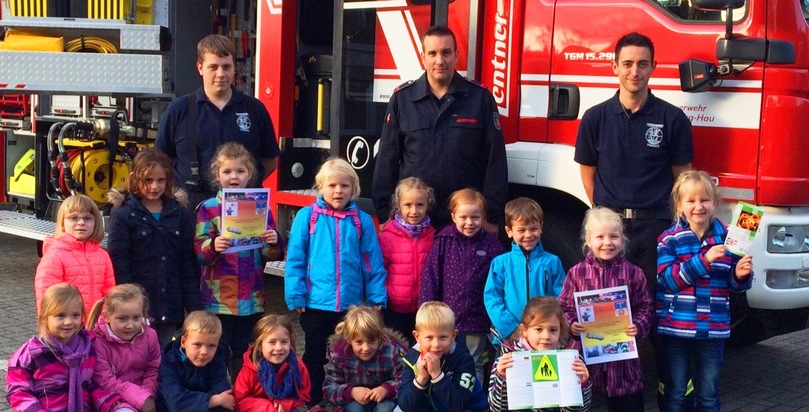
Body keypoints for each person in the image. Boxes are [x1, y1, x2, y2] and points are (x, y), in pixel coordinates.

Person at [573, 31, 693, 407]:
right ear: (614, 67)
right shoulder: (595, 118)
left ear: (654, 68)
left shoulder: (672, 119)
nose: (635, 71)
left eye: (643, 64)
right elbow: (587, 171)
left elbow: (682, 177)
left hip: (657, 228)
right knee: (609, 320)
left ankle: (669, 394)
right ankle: (610, 394)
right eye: (627, 63)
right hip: (612, 233)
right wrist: (605, 220)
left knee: (654, 312)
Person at [372, 25, 507, 233]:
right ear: (423, 57)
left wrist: (491, 216)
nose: (439, 61)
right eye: (432, 53)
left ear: (456, 55)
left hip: (465, 223)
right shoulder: (402, 100)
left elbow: (495, 162)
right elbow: (387, 160)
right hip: (415, 223)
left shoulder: (480, 99)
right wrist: (384, 215)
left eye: (446, 52)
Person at [285, 157, 387, 406]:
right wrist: (296, 293)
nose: (338, 191)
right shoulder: (307, 217)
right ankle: (314, 400)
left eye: (344, 185)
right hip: (315, 302)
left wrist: (376, 297)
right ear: (320, 187)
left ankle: (344, 399)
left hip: (350, 306)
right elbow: (295, 258)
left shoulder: (361, 220)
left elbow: (372, 261)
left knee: (347, 356)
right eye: (331, 186)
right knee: (314, 355)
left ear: (353, 188)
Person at [656, 171, 753, 412]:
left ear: (715, 203)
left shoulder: (731, 237)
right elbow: (669, 280)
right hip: (676, 328)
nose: (698, 206)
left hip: (713, 329)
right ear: (679, 206)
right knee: (676, 392)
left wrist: (741, 275)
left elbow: (732, 283)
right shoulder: (669, 239)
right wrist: (705, 259)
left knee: (709, 394)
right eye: (691, 201)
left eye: (704, 200)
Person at [156, 34, 280, 210]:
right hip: (190, 208)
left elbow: (270, 161)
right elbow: (160, 161)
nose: (221, 74)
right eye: (213, 67)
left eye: (226, 67)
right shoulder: (179, 110)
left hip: (244, 208)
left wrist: (243, 182)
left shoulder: (254, 109)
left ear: (234, 68)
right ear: (200, 67)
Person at [195, 142, 285, 380]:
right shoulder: (208, 208)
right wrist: (213, 245)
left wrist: (274, 242)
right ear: (217, 175)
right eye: (227, 172)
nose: (234, 177)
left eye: (240, 171)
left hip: (251, 299)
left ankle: (243, 395)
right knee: (217, 352)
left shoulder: (260, 207)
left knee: (246, 354)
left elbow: (269, 256)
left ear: (250, 174)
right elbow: (199, 251)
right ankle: (219, 395)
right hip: (218, 299)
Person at [558, 207, 654, 411]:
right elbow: (564, 306)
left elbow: (645, 306)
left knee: (627, 405)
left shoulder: (633, 273)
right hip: (585, 358)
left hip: (622, 364)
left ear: (623, 239)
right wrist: (571, 325)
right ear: (588, 240)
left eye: (614, 236)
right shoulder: (576, 273)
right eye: (600, 237)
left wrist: (638, 325)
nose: (607, 243)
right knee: (583, 403)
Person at [107, 148, 202, 347]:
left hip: (171, 304)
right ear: (134, 178)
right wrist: (128, 305)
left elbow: (188, 263)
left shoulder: (179, 213)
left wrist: (194, 308)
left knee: (165, 357)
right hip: (137, 308)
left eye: (161, 180)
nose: (154, 186)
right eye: (148, 180)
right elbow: (120, 263)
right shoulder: (124, 214)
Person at [6, 283, 134, 412]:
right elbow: (18, 392)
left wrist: (110, 402)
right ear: (45, 318)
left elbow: (88, 386)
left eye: (75, 315)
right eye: (60, 316)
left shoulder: (87, 348)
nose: (68, 322)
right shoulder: (30, 353)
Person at [419, 188, 503, 383]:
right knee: (444, 361)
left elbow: (500, 284)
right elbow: (430, 278)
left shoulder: (492, 246)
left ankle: (472, 403)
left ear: (483, 217)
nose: (469, 222)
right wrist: (426, 313)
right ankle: (446, 400)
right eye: (463, 217)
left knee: (474, 362)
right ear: (453, 217)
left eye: (475, 217)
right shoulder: (443, 241)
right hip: (446, 321)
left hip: (477, 320)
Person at [488, 297, 592, 412]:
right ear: (524, 330)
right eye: (538, 329)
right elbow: (496, 409)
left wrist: (581, 385)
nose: (546, 336)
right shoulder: (507, 361)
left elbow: (581, 410)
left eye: (553, 330)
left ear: (560, 330)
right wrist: (502, 378)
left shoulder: (571, 362)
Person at [484, 197, 565, 341]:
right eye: (521, 230)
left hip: (543, 337)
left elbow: (561, 297)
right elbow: (492, 299)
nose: (528, 235)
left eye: (533, 228)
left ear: (541, 227)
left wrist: (553, 328)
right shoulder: (500, 263)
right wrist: (510, 329)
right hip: (510, 338)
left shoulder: (552, 262)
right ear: (509, 231)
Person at [397, 301, 488, 412]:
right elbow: (404, 404)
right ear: (417, 337)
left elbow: (458, 406)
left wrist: (437, 375)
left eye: (443, 337)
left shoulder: (463, 359)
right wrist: (422, 378)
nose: (436, 345)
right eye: (429, 338)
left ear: (453, 336)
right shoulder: (413, 358)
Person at [34, 194, 115, 316]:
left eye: (88, 218)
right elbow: (46, 296)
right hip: (68, 326)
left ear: (96, 222)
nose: (81, 222)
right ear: (62, 223)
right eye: (73, 218)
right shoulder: (54, 256)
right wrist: (49, 325)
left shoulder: (102, 256)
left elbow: (109, 292)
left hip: (97, 327)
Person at [378, 177, 435, 345]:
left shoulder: (433, 235)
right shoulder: (388, 236)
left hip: (423, 309)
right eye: (408, 205)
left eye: (420, 205)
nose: (414, 211)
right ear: (398, 205)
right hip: (395, 308)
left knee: (419, 351)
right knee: (396, 349)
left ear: (427, 205)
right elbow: (379, 270)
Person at [87, 284, 162, 412]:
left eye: (136, 318)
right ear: (106, 316)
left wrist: (147, 394)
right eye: (122, 319)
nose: (130, 325)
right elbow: (106, 381)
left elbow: (154, 368)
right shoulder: (97, 342)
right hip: (113, 398)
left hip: (148, 394)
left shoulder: (150, 335)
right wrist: (141, 398)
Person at [322, 305, 407, 412]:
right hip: (352, 401)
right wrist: (351, 392)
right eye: (359, 342)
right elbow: (329, 388)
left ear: (379, 337)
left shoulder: (391, 351)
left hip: (385, 399)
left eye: (372, 341)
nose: (366, 348)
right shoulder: (340, 355)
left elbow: (405, 380)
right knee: (355, 409)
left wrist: (386, 389)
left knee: (384, 408)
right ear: (349, 340)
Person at [157, 310, 234, 411]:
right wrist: (212, 400)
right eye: (197, 344)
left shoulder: (216, 360)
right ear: (184, 342)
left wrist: (219, 401)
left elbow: (224, 395)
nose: (204, 352)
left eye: (211, 346)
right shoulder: (169, 362)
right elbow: (175, 401)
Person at [233, 314, 311, 412]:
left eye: (284, 342)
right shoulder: (250, 368)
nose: (278, 348)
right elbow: (239, 400)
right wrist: (268, 407)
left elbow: (304, 392)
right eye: (272, 342)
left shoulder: (296, 365)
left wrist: (286, 403)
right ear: (260, 346)